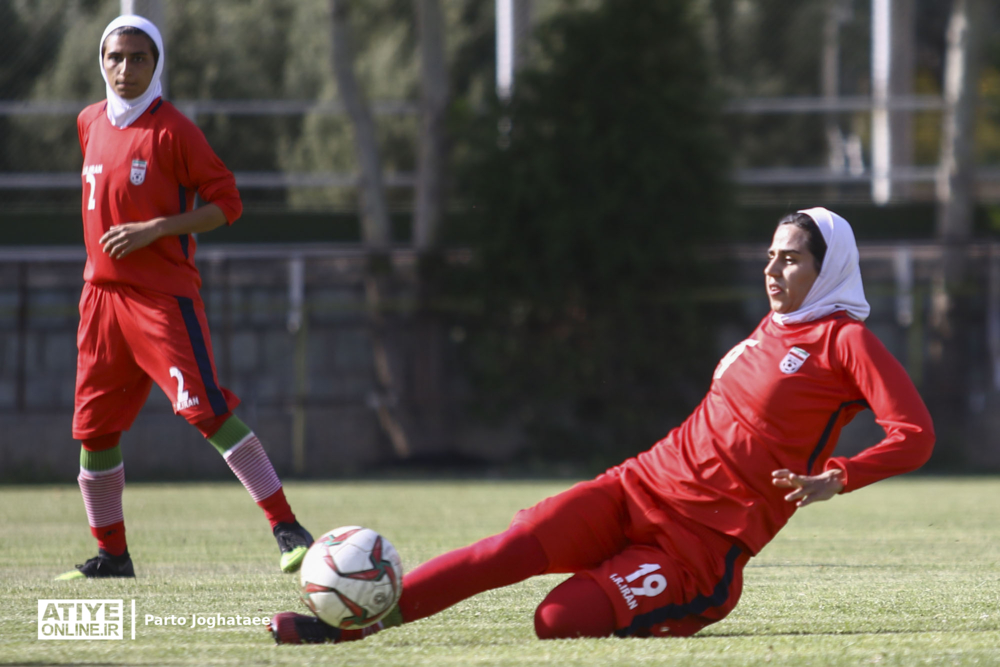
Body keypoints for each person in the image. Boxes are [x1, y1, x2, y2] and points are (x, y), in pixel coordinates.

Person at [268, 207, 935, 643]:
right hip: (636, 487)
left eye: (791, 257)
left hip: (694, 551)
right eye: (771, 254)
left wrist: (836, 478)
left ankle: (668, 600)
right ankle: (354, 627)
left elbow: (915, 435)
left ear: (830, 267)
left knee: (555, 620)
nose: (772, 267)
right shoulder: (775, 324)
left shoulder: (846, 340)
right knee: (511, 545)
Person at [57, 15, 312, 580]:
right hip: (99, 301)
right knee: (94, 430)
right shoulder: (88, 122)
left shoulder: (174, 130)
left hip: (161, 301)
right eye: (115, 57)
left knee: (207, 411)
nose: (125, 69)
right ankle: (112, 555)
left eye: (139, 58)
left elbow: (228, 203)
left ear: (157, 64)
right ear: (100, 61)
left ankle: (287, 528)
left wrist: (156, 228)